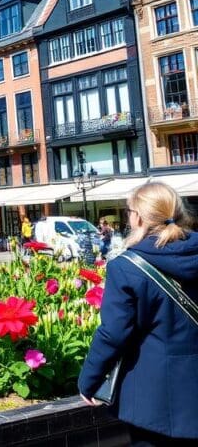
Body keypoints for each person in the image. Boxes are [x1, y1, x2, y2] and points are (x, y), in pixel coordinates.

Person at [78, 182, 198, 444]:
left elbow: (114, 333)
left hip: (154, 395)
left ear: (138, 217)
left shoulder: (128, 267)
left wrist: (90, 379)